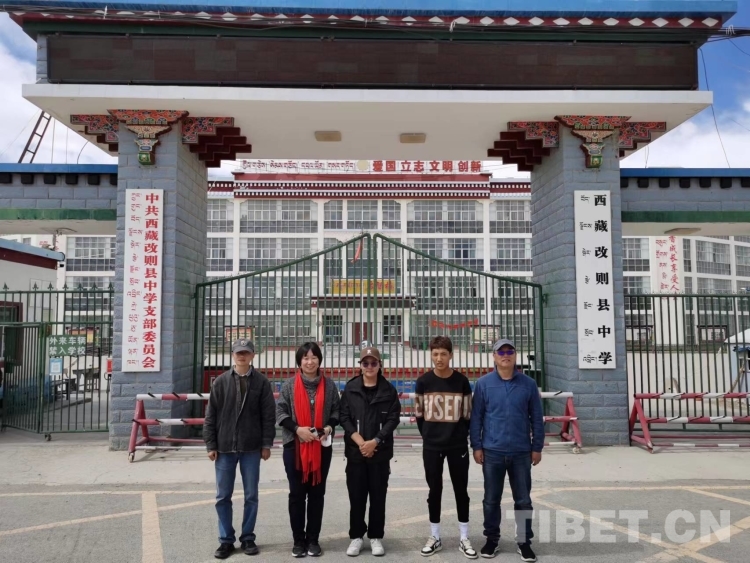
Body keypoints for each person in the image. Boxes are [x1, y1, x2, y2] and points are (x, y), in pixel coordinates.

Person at [469, 339, 544, 562]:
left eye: (509, 351)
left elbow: (536, 418)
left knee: (523, 500)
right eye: (500, 352)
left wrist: (537, 447)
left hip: (521, 452)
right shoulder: (484, 384)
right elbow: (476, 417)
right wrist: (477, 445)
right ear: (494, 356)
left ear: (515, 355)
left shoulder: (528, 384)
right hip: (492, 451)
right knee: (491, 499)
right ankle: (492, 540)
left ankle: (524, 542)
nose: (505, 355)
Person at [204, 339, 276, 559]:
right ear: (233, 355)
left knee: (251, 495)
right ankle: (226, 540)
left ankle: (247, 538)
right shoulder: (221, 382)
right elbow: (210, 416)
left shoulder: (261, 382)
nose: (241, 356)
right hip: (224, 447)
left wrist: (266, 444)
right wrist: (211, 444)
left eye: (246, 352)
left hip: (251, 448)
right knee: (222, 496)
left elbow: (268, 416)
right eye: (238, 352)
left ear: (253, 355)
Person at [276, 342, 341, 557]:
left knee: (317, 495)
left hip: (321, 447)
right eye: (305, 358)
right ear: (300, 361)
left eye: (314, 357)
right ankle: (298, 541)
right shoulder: (289, 385)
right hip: (294, 447)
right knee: (296, 494)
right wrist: (297, 430)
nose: (310, 362)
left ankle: (313, 540)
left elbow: (336, 411)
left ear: (319, 360)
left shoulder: (329, 386)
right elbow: (280, 412)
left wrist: (329, 427)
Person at [415, 336, 477, 559]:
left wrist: (458, 435)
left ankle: (464, 537)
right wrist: (430, 435)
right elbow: (420, 415)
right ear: (431, 355)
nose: (439, 358)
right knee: (434, 491)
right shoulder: (423, 382)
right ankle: (435, 536)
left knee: (461, 490)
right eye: (435, 354)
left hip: (457, 445)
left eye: (443, 354)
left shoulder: (461, 381)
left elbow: (467, 415)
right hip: (432, 446)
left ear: (451, 355)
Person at [340, 345, 401, 557]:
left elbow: (393, 418)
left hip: (379, 453)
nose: (369, 366)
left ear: (379, 365)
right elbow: (344, 417)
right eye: (365, 363)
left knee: (377, 497)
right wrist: (360, 441)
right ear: (360, 365)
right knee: (356, 497)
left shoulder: (388, 390)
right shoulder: (351, 389)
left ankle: (376, 536)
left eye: (373, 363)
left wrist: (375, 441)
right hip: (356, 453)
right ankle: (356, 536)